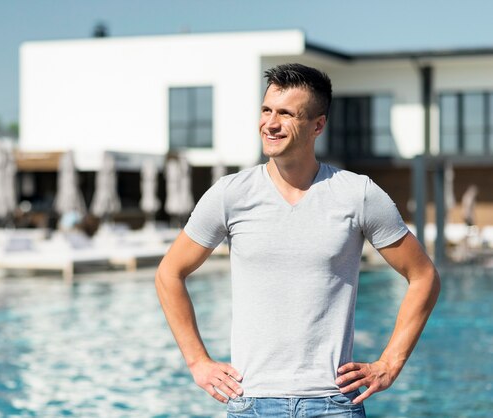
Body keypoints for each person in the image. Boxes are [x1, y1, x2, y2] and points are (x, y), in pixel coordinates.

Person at [155, 63, 441, 417]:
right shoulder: (229, 195)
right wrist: (198, 361)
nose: (270, 123)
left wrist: (390, 362)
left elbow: (424, 276)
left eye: (286, 114)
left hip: (334, 403)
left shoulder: (358, 194)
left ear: (317, 125)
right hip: (251, 402)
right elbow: (169, 273)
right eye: (266, 110)